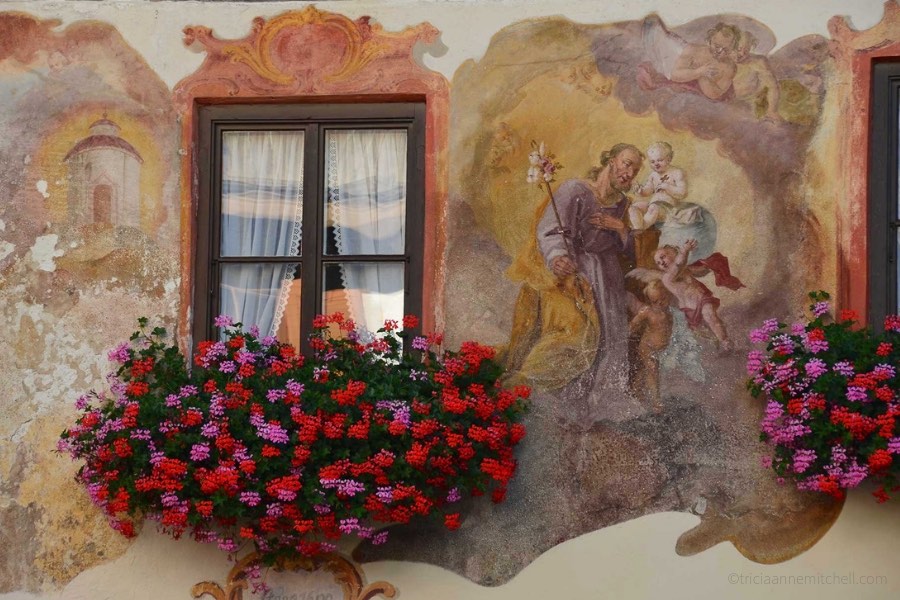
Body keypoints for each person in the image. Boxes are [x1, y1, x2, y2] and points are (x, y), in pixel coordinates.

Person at [529, 143, 646, 424]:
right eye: (626, 164)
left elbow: (635, 254)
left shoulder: (624, 206)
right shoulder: (575, 190)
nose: (629, 173)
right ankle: (572, 403)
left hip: (609, 276)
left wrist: (621, 229)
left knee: (611, 335)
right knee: (582, 334)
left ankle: (606, 400)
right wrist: (558, 256)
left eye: (635, 169)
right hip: (577, 274)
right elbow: (551, 229)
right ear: (610, 159)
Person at [654, 240, 731, 349]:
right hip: (690, 310)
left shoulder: (685, 268)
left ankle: (725, 342)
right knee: (704, 331)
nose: (661, 262)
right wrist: (684, 251)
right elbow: (678, 265)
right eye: (658, 262)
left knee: (710, 316)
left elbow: (698, 270)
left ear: (672, 253)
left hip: (702, 299)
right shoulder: (667, 278)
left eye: (663, 257)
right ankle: (718, 342)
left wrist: (709, 266)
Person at [628, 279, 673, 411]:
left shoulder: (669, 312)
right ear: (649, 301)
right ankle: (656, 402)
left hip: (660, 349)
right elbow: (634, 323)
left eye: (662, 299)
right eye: (654, 301)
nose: (659, 303)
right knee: (652, 368)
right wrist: (628, 331)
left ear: (667, 295)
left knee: (644, 371)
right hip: (647, 347)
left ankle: (634, 391)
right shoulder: (647, 311)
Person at [629, 141, 689, 231]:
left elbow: (682, 193)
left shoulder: (676, 172)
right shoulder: (653, 175)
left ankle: (640, 231)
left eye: (660, 160)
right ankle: (637, 228)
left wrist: (667, 187)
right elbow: (648, 191)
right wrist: (640, 190)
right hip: (653, 205)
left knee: (654, 208)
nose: (656, 164)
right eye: (652, 161)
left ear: (668, 159)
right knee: (634, 207)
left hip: (668, 208)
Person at [731, 30, 781, 121]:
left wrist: (771, 110)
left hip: (751, 103)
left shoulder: (758, 62)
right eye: (738, 49)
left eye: (746, 50)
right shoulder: (720, 60)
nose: (742, 54)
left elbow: (773, 87)